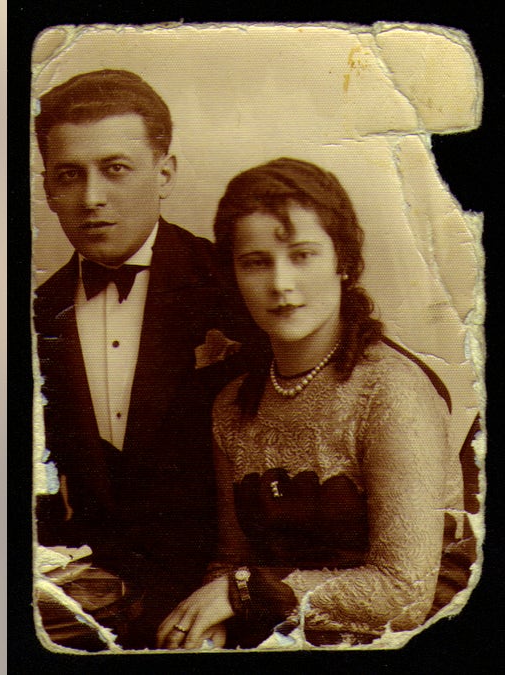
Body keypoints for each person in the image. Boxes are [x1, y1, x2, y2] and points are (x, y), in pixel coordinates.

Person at [157, 158, 472, 649]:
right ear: (234, 274)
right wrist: (211, 622)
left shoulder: (390, 394)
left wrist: (242, 594)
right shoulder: (233, 405)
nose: (280, 284)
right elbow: (230, 559)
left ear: (343, 262)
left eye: (302, 256)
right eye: (256, 262)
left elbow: (405, 594)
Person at [31, 69, 253, 649]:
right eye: (69, 176)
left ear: (165, 173)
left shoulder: (237, 284)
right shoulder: (38, 312)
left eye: (116, 168)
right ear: (48, 188)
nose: (92, 198)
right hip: (93, 607)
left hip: (221, 603)